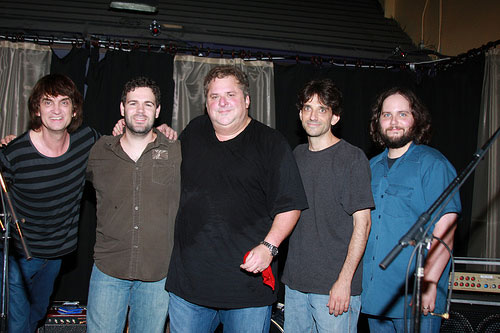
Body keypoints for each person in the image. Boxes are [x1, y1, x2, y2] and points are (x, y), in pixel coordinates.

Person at [164, 65, 308, 332]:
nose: (222, 103)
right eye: (214, 96)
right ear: (205, 103)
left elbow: (291, 205)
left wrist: (269, 247)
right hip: (188, 287)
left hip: (246, 290)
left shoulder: (271, 143)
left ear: (247, 100)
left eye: (230, 95)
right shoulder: (194, 131)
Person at [0, 74, 99, 333]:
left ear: (74, 109)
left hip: (56, 254)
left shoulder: (86, 141)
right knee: (18, 324)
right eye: (48, 102)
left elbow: (121, 145)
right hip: (18, 256)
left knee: (37, 315)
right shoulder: (15, 153)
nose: (56, 110)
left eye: (64, 102)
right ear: (36, 109)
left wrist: (160, 131)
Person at [361, 87, 461, 332]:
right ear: (378, 121)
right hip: (376, 297)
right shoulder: (370, 166)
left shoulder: (434, 164)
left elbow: (445, 228)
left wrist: (429, 283)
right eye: (387, 115)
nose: (394, 122)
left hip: (416, 298)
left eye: (402, 114)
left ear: (416, 119)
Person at [85, 77, 180, 333]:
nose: (140, 111)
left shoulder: (176, 151)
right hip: (108, 269)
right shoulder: (99, 150)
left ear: (158, 111)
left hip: (157, 273)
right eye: (133, 103)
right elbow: (60, 153)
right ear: (122, 108)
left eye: (148, 104)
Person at [281, 79, 374, 332]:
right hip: (295, 286)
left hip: (334, 289)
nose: (313, 116)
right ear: (300, 114)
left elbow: (363, 225)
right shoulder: (296, 156)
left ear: (334, 117)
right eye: (308, 108)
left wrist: (345, 281)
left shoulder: (352, 159)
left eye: (322, 109)